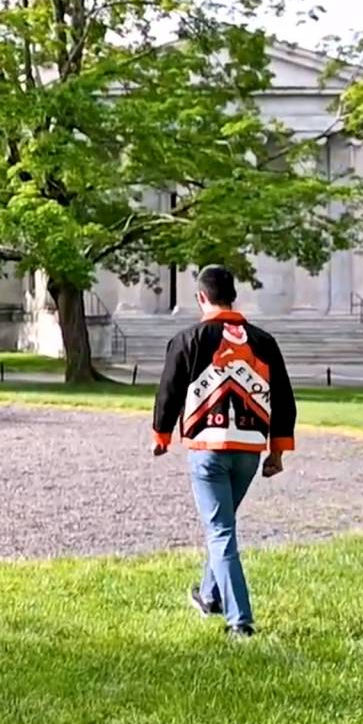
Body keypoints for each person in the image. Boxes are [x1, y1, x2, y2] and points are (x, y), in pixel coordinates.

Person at [152, 265, 297, 639]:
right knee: (223, 527)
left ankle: (240, 621)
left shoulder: (188, 339)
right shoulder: (264, 341)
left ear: (201, 297)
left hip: (207, 447)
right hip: (249, 451)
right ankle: (208, 595)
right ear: (234, 296)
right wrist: (278, 451)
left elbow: (169, 390)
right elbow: (283, 398)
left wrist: (161, 435)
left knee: (220, 531)